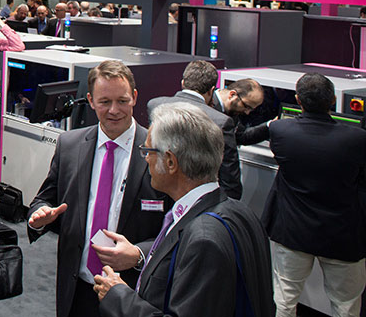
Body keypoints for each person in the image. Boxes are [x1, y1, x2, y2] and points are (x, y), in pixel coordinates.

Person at [94, 103, 274, 317]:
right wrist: (140, 257)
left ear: (170, 162)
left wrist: (118, 296)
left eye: (149, 151)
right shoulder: (239, 212)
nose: (146, 159)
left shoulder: (204, 239)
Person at [27, 60, 168, 317]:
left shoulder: (158, 152)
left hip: (132, 294)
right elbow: (43, 200)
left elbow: (174, 231)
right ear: (91, 101)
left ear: (135, 98)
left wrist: (139, 255)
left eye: (122, 101)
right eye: (105, 102)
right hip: (77, 289)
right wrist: (39, 216)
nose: (114, 110)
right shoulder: (70, 145)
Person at [262, 73, 366, 317]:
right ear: (332, 100)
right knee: (345, 306)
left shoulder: (280, 130)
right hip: (342, 235)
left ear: (298, 100)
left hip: (292, 232)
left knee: (285, 301)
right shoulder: (358, 138)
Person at [147, 60, 243, 199]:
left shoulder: (155, 105)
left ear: (183, 83)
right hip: (198, 200)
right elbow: (229, 178)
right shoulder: (220, 121)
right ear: (211, 90)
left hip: (159, 194)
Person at [213, 78, 270, 145]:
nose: (247, 112)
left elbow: (241, 136)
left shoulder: (232, 111)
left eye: (251, 109)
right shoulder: (206, 105)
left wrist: (269, 125)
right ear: (232, 94)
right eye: (246, 106)